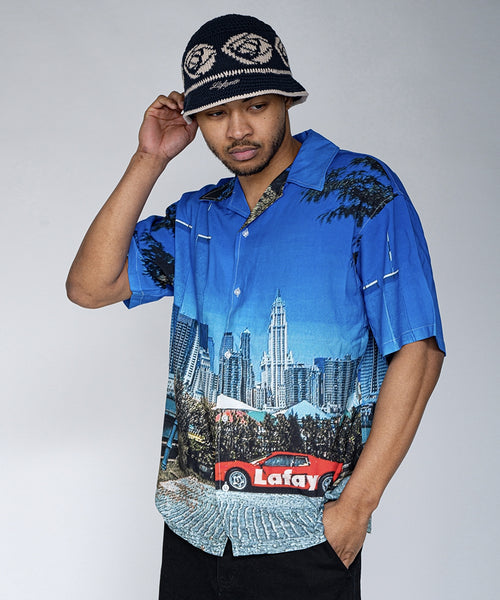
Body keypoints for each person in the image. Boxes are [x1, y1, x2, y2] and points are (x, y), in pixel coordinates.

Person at [66, 13, 445, 600]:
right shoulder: (198, 217)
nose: (238, 129)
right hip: (194, 529)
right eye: (217, 114)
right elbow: (90, 287)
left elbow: (418, 349)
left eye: (257, 106)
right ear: (195, 120)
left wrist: (355, 509)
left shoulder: (362, 192)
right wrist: (149, 159)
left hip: (306, 539)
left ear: (288, 101)